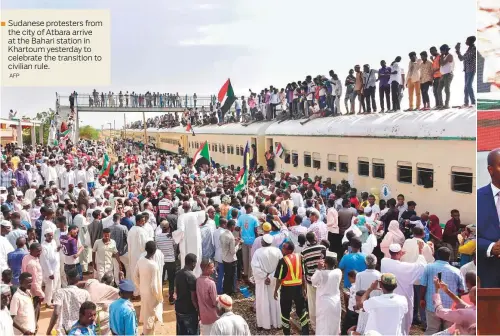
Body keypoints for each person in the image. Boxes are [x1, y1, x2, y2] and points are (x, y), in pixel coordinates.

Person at [381, 242, 427, 335]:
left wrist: (398, 256)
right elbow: (421, 267)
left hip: (388, 295)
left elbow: (392, 259)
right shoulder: (403, 266)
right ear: (398, 253)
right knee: (403, 320)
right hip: (403, 296)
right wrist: (420, 252)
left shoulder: (384, 262)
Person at [419, 247, 465, 334]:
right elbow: (462, 290)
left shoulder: (428, 267)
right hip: (450, 308)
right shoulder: (457, 271)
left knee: (432, 329)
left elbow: (423, 285)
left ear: (436, 255)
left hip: (432, 305)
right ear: (449, 257)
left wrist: (421, 298)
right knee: (448, 332)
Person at [273, 241, 309, 335]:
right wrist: (304, 289)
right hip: (298, 288)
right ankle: (305, 332)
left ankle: (287, 333)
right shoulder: (300, 257)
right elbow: (303, 275)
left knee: (285, 312)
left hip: (286, 290)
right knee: (302, 311)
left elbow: (279, 279)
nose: (282, 249)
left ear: (289, 250)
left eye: (284, 248)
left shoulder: (283, 260)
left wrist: (276, 290)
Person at [477, 148, 500, 288]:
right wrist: (491, 247)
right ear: (490, 170)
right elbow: (473, 237)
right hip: (489, 276)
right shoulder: (479, 198)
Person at [251, 233, 283, 330]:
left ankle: (264, 324)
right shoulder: (277, 251)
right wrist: (272, 276)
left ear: (263, 242)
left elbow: (255, 267)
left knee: (263, 301)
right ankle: (276, 323)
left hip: (262, 281)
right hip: (274, 281)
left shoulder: (258, 252)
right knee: (275, 301)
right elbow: (281, 267)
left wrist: (265, 277)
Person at [46, 268, 91, 335]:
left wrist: (49, 330)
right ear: (79, 279)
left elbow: (56, 313)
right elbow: (89, 312)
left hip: (63, 330)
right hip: (79, 330)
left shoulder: (60, 292)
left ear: (67, 279)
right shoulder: (85, 293)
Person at [133, 241, 163, 335]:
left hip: (144, 292)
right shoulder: (153, 265)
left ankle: (146, 333)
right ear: (155, 251)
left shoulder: (140, 260)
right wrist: (158, 297)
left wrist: (140, 286)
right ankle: (147, 334)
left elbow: (135, 276)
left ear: (145, 249)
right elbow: (154, 285)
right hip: (152, 294)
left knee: (147, 314)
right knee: (150, 316)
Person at [311, 256, 342, 335]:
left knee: (323, 325)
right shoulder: (338, 272)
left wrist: (318, 269)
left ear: (326, 263)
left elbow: (313, 281)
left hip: (324, 303)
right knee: (334, 324)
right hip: (336, 302)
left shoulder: (322, 273)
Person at [173, 208, 204, 277]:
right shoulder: (196, 214)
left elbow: (181, 230)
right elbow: (204, 213)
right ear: (190, 208)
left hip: (185, 243)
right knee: (196, 259)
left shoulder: (181, 217)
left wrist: (173, 235)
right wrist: (201, 202)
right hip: (195, 243)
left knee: (186, 261)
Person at [175, 253, 199, 335]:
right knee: (192, 332)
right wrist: (198, 309)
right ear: (193, 263)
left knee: (181, 332)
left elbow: (176, 291)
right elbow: (193, 298)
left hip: (179, 308)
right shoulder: (192, 277)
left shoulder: (178, 274)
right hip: (189, 310)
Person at [20, 242, 44, 322]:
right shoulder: (32, 264)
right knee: (34, 312)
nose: (39, 253)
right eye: (38, 251)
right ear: (31, 250)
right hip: (34, 292)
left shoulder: (27, 257)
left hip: (27, 289)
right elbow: (34, 281)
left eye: (40, 251)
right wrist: (40, 294)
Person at [155, 220, 177, 304]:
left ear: (160, 228)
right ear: (168, 228)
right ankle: (171, 298)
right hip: (171, 260)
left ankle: (160, 299)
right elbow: (175, 246)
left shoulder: (157, 237)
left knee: (160, 280)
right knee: (171, 280)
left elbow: (157, 249)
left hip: (161, 261)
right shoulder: (171, 237)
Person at [127, 214, 150, 289]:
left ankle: (135, 292)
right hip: (140, 256)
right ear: (137, 221)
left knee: (134, 273)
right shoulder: (141, 231)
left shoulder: (131, 230)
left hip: (132, 255)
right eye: (142, 221)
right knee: (140, 274)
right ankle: (138, 292)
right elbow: (144, 245)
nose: (144, 222)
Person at [196, 258, 218, 335]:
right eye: (212, 267)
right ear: (206, 269)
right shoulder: (211, 283)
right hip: (212, 316)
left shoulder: (198, 280)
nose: (214, 269)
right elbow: (215, 302)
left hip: (203, 315)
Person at [236, 204, 258, 280]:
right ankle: (250, 276)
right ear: (249, 208)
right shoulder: (254, 218)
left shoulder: (241, 217)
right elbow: (256, 231)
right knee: (251, 259)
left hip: (244, 240)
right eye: (251, 207)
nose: (252, 209)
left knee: (245, 258)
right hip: (252, 241)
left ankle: (245, 273)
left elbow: (237, 228)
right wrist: (257, 239)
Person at [40, 228, 60, 308]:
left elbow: (54, 252)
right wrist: (50, 273)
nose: (51, 237)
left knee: (56, 285)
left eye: (52, 235)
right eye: (49, 236)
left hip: (56, 267)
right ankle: (48, 302)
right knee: (50, 287)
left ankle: (53, 299)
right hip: (50, 270)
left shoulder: (54, 242)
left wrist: (57, 249)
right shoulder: (43, 246)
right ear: (45, 236)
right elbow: (45, 261)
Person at [220, 220, 241, 295]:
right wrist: (238, 244)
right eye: (234, 226)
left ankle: (226, 290)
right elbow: (233, 251)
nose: (235, 227)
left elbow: (225, 245)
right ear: (232, 226)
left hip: (225, 258)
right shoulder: (231, 237)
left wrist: (234, 241)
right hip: (231, 259)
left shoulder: (222, 234)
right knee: (232, 276)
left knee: (227, 275)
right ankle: (232, 290)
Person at [455, 36, 476, 107]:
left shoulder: (473, 49)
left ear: (471, 41)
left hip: (471, 70)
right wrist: (458, 51)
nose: (466, 42)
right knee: (466, 87)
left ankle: (473, 102)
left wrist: (458, 51)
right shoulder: (469, 49)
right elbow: (461, 58)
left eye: (467, 40)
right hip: (467, 70)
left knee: (468, 85)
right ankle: (466, 103)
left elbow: (464, 58)